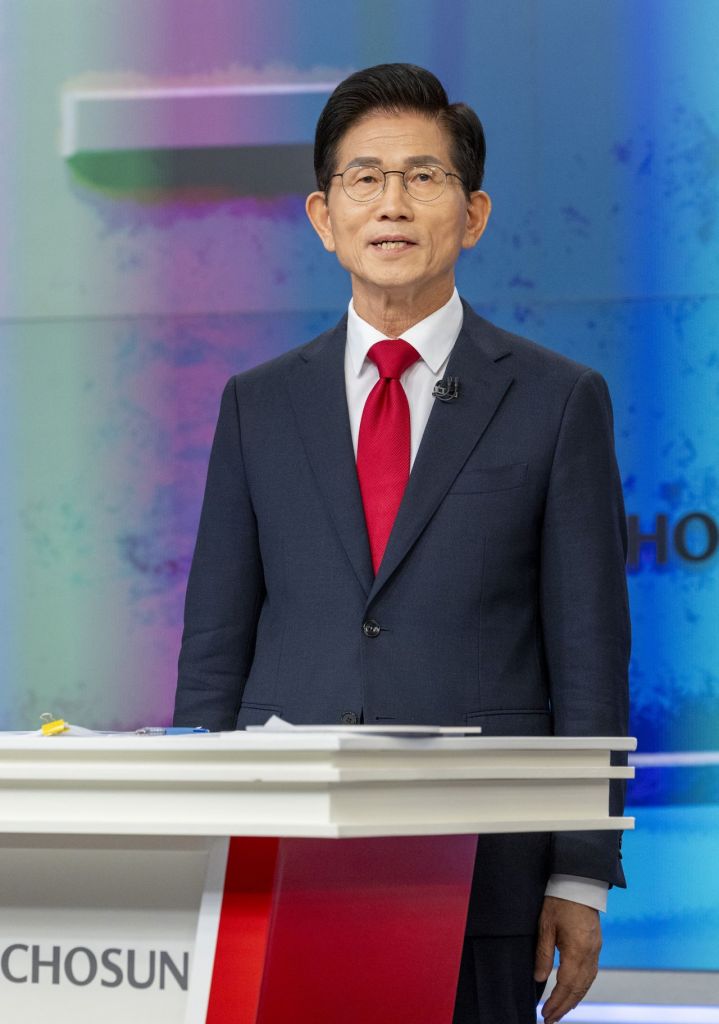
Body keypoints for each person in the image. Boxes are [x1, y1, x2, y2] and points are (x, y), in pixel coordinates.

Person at [174, 63, 630, 1024]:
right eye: (364, 178)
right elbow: (215, 647)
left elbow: (588, 653)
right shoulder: (258, 405)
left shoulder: (556, 400)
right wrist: (190, 840)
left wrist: (581, 869)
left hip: (483, 869)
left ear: (472, 214)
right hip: (278, 855)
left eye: (423, 177)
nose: (391, 203)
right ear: (322, 215)